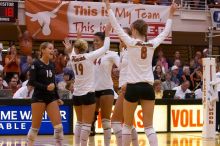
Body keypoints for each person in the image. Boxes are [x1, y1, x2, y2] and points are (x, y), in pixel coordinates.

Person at [104, 0, 177, 145]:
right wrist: (170, 14)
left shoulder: (130, 42)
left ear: (135, 31)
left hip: (132, 87)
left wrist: (108, 9)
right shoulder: (152, 44)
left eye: (131, 30)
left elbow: (116, 27)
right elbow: (165, 32)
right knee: (149, 127)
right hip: (147, 88)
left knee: (127, 125)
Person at [63, 23, 111, 146]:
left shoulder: (72, 57)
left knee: (79, 122)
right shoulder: (89, 56)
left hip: (77, 94)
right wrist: (107, 34)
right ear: (85, 48)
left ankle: (77, 144)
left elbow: (73, 50)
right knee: (86, 124)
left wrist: (77, 37)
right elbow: (105, 48)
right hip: (88, 93)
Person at [27, 42, 64, 146]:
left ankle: (58, 144)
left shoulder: (52, 65)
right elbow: (31, 82)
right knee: (35, 128)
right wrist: (46, 87)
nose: (52, 50)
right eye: (50, 48)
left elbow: (54, 83)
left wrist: (57, 97)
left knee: (59, 127)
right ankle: (29, 144)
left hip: (51, 98)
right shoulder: (36, 64)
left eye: (53, 49)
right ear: (43, 50)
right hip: (39, 97)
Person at [90, 31, 120, 145]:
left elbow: (121, 66)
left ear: (104, 41)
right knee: (89, 120)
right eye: (94, 41)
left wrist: (118, 70)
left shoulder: (111, 54)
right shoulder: (92, 54)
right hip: (93, 90)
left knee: (105, 121)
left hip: (106, 89)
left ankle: (107, 144)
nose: (95, 43)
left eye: (97, 40)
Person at [111, 27, 139, 146]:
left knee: (115, 122)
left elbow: (137, 69)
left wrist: (127, 83)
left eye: (123, 35)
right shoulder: (123, 51)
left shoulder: (133, 50)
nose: (120, 37)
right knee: (127, 122)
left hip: (128, 88)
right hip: (123, 87)